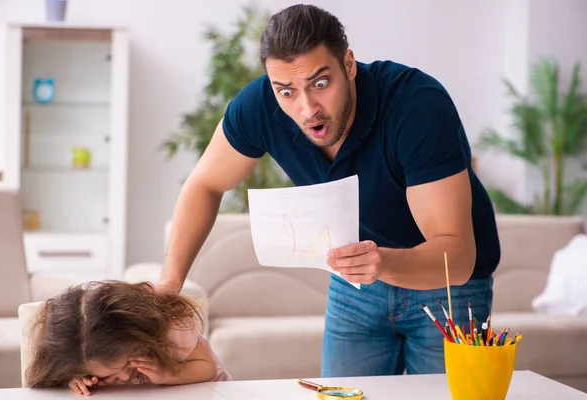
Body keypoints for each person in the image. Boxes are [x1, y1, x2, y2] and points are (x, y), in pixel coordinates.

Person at [158, 4, 500, 377]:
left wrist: (382, 262)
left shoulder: (417, 105)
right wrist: (170, 283)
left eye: (320, 84)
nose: (307, 109)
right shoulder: (259, 105)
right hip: (356, 288)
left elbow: (458, 256)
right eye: (286, 91)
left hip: (447, 289)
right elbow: (205, 183)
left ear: (348, 64)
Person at [25, 281, 231, 395]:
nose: (124, 377)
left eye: (127, 362)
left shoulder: (171, 330)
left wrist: (168, 375)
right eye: (108, 376)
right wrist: (73, 379)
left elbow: (208, 367)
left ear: (139, 331)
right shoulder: (78, 359)